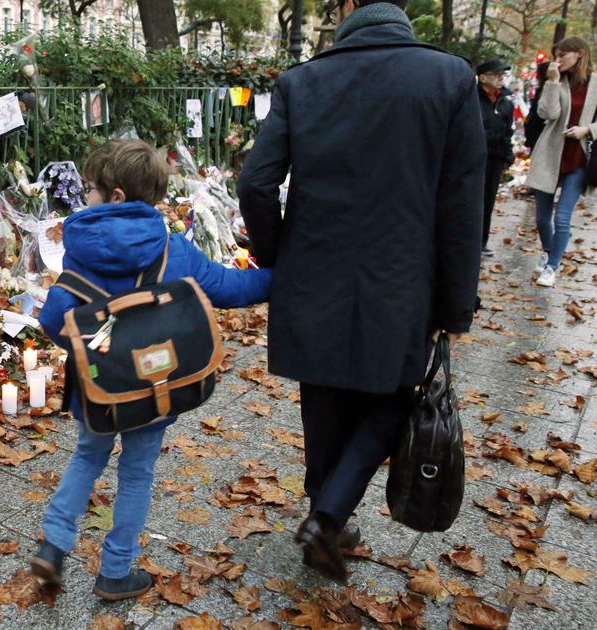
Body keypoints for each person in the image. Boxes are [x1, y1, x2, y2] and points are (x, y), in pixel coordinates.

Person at [236, 0, 483, 583]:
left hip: (313, 270)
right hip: (402, 278)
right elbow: (462, 204)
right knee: (391, 400)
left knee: (321, 399)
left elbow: (255, 181)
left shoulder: (302, 80)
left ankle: (328, 513)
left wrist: (277, 254)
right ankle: (327, 517)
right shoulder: (450, 78)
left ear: (348, 20)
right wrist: (456, 302)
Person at [32, 139, 272, 600]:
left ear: (115, 196)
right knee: (137, 474)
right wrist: (286, 275)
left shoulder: (82, 250)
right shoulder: (173, 250)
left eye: (92, 190)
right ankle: (115, 572)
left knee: (87, 457)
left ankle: (55, 543)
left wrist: (98, 349)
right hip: (157, 387)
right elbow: (230, 287)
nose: (87, 198)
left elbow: (52, 318)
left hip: (101, 390)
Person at [526, 37, 597, 288]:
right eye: (555, 56)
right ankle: (548, 250)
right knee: (542, 218)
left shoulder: (596, 83)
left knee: (563, 217)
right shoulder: (555, 80)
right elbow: (548, 113)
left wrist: (587, 129)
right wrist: (553, 82)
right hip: (550, 155)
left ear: (579, 54)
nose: (557, 61)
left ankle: (552, 266)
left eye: (562, 56)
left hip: (579, 158)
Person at [476, 59, 515, 257]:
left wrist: (508, 156)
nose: (501, 78)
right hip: (473, 158)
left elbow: (508, 131)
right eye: (496, 74)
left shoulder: (505, 103)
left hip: (494, 160)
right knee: (471, 200)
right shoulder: (472, 99)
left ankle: (482, 241)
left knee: (488, 200)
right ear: (483, 78)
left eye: (503, 75)